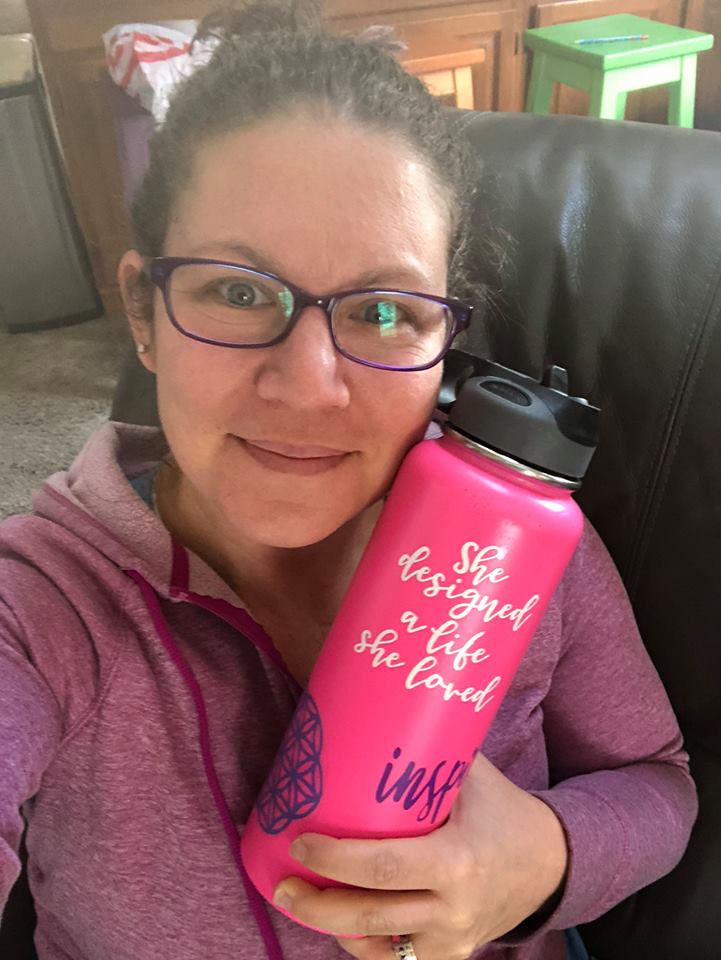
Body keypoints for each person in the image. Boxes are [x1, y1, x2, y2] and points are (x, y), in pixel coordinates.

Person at [0, 3, 697, 960]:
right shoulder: (41, 608)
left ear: (444, 345)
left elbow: (657, 782)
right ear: (143, 312)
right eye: (238, 291)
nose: (307, 386)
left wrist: (544, 859)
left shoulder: (515, 549)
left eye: (382, 310)